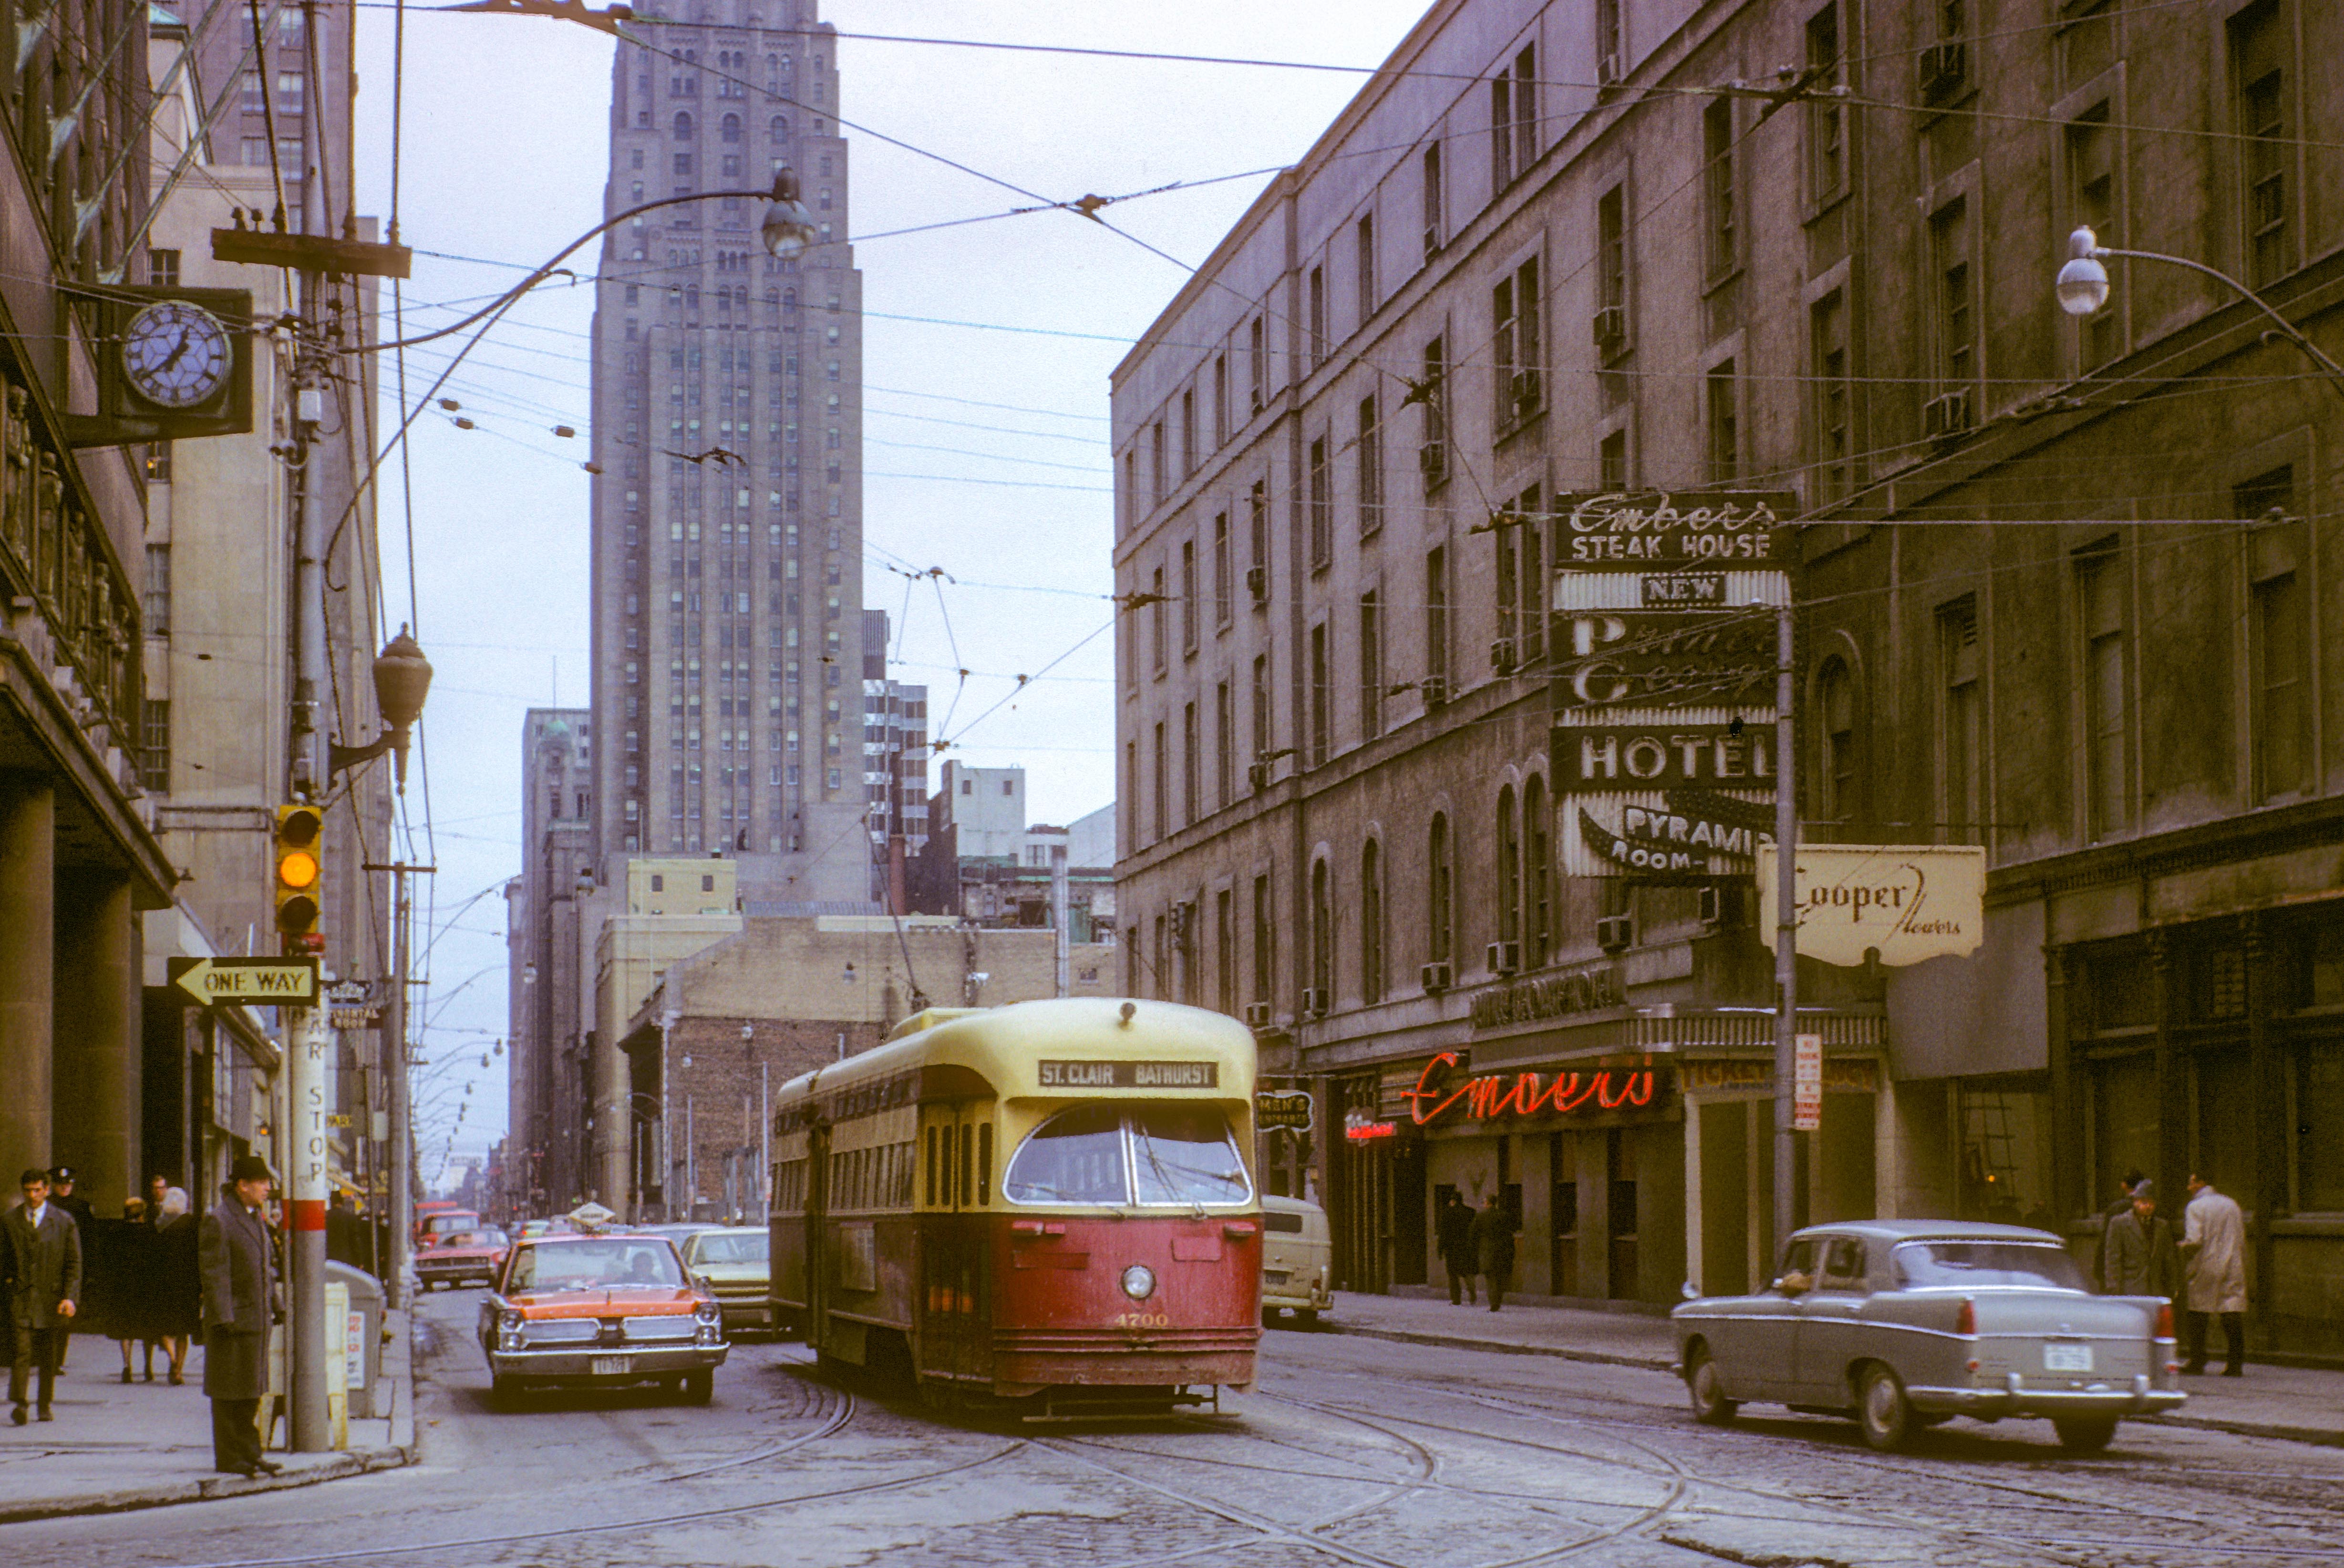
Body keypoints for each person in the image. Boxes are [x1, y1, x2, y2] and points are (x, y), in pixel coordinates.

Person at [199, 1157, 283, 1477]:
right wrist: (224, 1317)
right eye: (262, 1182)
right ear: (242, 1185)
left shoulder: (254, 1218)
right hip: (233, 1324)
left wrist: (276, 1305)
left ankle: (249, 1453)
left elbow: (264, 1270)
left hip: (255, 1319)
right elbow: (214, 1273)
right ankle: (232, 1456)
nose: (267, 1189)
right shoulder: (219, 1221)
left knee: (249, 1392)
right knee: (228, 1393)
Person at [4, 1169, 82, 1424]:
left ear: (46, 1190)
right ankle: (20, 1403)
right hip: (22, 1297)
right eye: (28, 1190)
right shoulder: (10, 1221)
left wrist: (70, 1297)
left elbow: (73, 1263)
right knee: (22, 1351)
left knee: (48, 1354)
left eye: (38, 1190)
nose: (33, 1196)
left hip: (52, 1298)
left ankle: (45, 1403)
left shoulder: (63, 1221)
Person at [2180, 1172, 2248, 1377]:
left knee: (2198, 1312)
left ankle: (2198, 1358)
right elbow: (2240, 1235)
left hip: (2206, 1263)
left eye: (2191, 1182)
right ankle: (2235, 1363)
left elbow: (2194, 1240)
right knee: (2231, 1312)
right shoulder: (2232, 1204)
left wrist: (2181, 1248)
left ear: (2200, 1183)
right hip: (2233, 1262)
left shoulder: (2195, 1207)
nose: (2189, 1187)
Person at [2099, 1179, 2180, 1300]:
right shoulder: (2119, 1224)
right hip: (2130, 1288)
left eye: (2151, 1203)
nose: (2148, 1206)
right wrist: (2114, 1288)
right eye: (2144, 1202)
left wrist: (2173, 1286)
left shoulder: (2162, 1226)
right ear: (2135, 1202)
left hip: (2156, 1290)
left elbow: (2169, 1259)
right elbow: (2113, 1259)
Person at [45, 1167, 91, 1372]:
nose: (65, 1187)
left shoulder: (81, 1208)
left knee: (65, 1315)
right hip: (48, 1263)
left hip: (69, 1264)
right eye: (61, 1184)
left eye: (68, 1184)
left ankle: (57, 1359)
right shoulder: (48, 1206)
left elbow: (89, 1240)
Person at [153, 1188, 199, 1384]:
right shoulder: (193, 1224)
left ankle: (171, 1358)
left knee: (164, 1327)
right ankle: (179, 1368)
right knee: (184, 1330)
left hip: (163, 1282)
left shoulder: (158, 1225)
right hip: (188, 1283)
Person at [1469, 1197, 1516, 1313]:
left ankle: (1494, 1304)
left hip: (1487, 1251)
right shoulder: (1504, 1215)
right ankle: (1498, 1301)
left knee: (1491, 1279)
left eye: (1484, 1202)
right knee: (1500, 1277)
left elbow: (1473, 1234)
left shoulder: (1480, 1217)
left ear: (1487, 1203)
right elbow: (1511, 1232)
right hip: (1502, 1250)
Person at [1435, 1193, 1476, 1306]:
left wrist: (1440, 1250)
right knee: (1467, 1272)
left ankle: (1456, 1300)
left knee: (1453, 1276)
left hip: (1452, 1250)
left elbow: (1443, 1233)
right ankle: (1472, 1291)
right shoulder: (1471, 1212)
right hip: (1467, 1248)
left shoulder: (1447, 1214)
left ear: (1452, 1201)